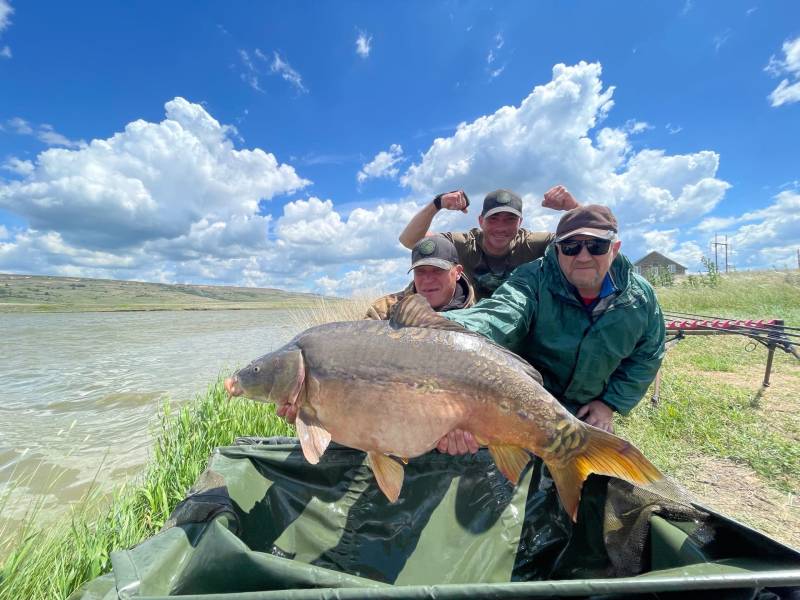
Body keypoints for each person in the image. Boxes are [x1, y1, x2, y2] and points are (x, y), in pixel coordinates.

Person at [437, 204, 666, 455]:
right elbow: (499, 314)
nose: (583, 257)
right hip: (525, 402)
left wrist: (609, 403)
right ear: (558, 250)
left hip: (588, 408)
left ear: (615, 248)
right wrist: (441, 331)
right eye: (571, 247)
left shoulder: (640, 299)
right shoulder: (532, 279)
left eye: (596, 246)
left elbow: (647, 355)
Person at [398, 186, 579, 300]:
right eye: (493, 219)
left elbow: (595, 244)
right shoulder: (464, 244)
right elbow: (410, 241)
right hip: (471, 322)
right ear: (480, 221)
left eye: (509, 219)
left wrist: (574, 208)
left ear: (520, 223)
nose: (501, 227)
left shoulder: (533, 243)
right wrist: (437, 204)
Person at [364, 234, 476, 320]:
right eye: (420, 271)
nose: (428, 280)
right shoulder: (385, 311)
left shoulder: (477, 316)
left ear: (458, 272)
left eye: (437, 270)